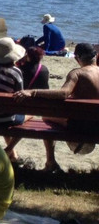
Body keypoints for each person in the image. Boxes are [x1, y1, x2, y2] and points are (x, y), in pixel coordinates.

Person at [15, 42, 99, 171]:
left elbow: (63, 93)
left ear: (77, 59)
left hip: (81, 125)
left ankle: (51, 161)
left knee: (46, 116)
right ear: (95, 56)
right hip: (97, 125)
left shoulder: (77, 73)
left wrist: (33, 92)